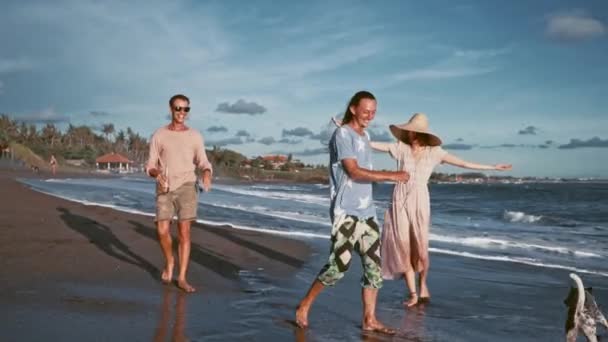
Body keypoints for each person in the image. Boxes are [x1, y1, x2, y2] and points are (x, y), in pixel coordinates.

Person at [295, 91, 409, 334]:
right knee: (338, 267)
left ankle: (370, 318)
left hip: (367, 213)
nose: (370, 115)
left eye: (374, 111)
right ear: (354, 109)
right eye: (366, 110)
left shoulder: (365, 135)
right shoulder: (342, 134)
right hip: (345, 212)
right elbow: (354, 172)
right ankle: (304, 305)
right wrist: (392, 175)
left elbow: (365, 172)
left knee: (374, 269)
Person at [370, 113, 512, 307]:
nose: (411, 135)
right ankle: (412, 294)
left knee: (421, 251)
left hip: (420, 199)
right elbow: (374, 144)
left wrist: (493, 167)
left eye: (415, 131)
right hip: (399, 199)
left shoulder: (435, 152)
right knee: (403, 246)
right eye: (409, 131)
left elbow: (463, 163)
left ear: (423, 133)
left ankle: (423, 283)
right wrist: (349, 129)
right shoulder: (400, 148)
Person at [146, 94, 213, 293]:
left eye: (185, 109)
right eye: (178, 108)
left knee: (184, 233)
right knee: (162, 231)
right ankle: (170, 262)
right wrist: (156, 173)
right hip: (165, 187)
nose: (181, 113)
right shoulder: (159, 135)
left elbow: (203, 161)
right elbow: (150, 165)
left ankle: (182, 278)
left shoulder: (195, 136)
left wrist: (207, 173)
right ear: (170, 109)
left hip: (187, 186)